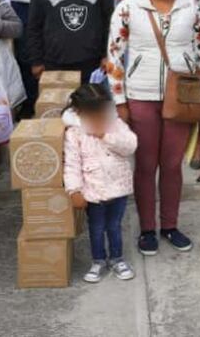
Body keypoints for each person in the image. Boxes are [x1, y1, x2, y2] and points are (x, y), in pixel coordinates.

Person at [107, 0, 200, 256]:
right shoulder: (128, 7)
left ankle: (170, 225)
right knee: (145, 165)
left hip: (180, 96)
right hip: (140, 95)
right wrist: (119, 100)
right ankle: (147, 229)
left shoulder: (191, 5)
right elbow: (114, 56)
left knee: (171, 164)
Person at [63, 83, 138, 284]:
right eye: (92, 113)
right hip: (92, 191)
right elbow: (72, 164)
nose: (98, 117)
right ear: (79, 112)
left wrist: (106, 136)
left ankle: (117, 259)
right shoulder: (74, 133)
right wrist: (74, 191)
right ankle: (98, 261)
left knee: (114, 225)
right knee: (96, 228)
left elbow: (130, 146)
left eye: (101, 111)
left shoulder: (116, 125)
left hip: (118, 187)